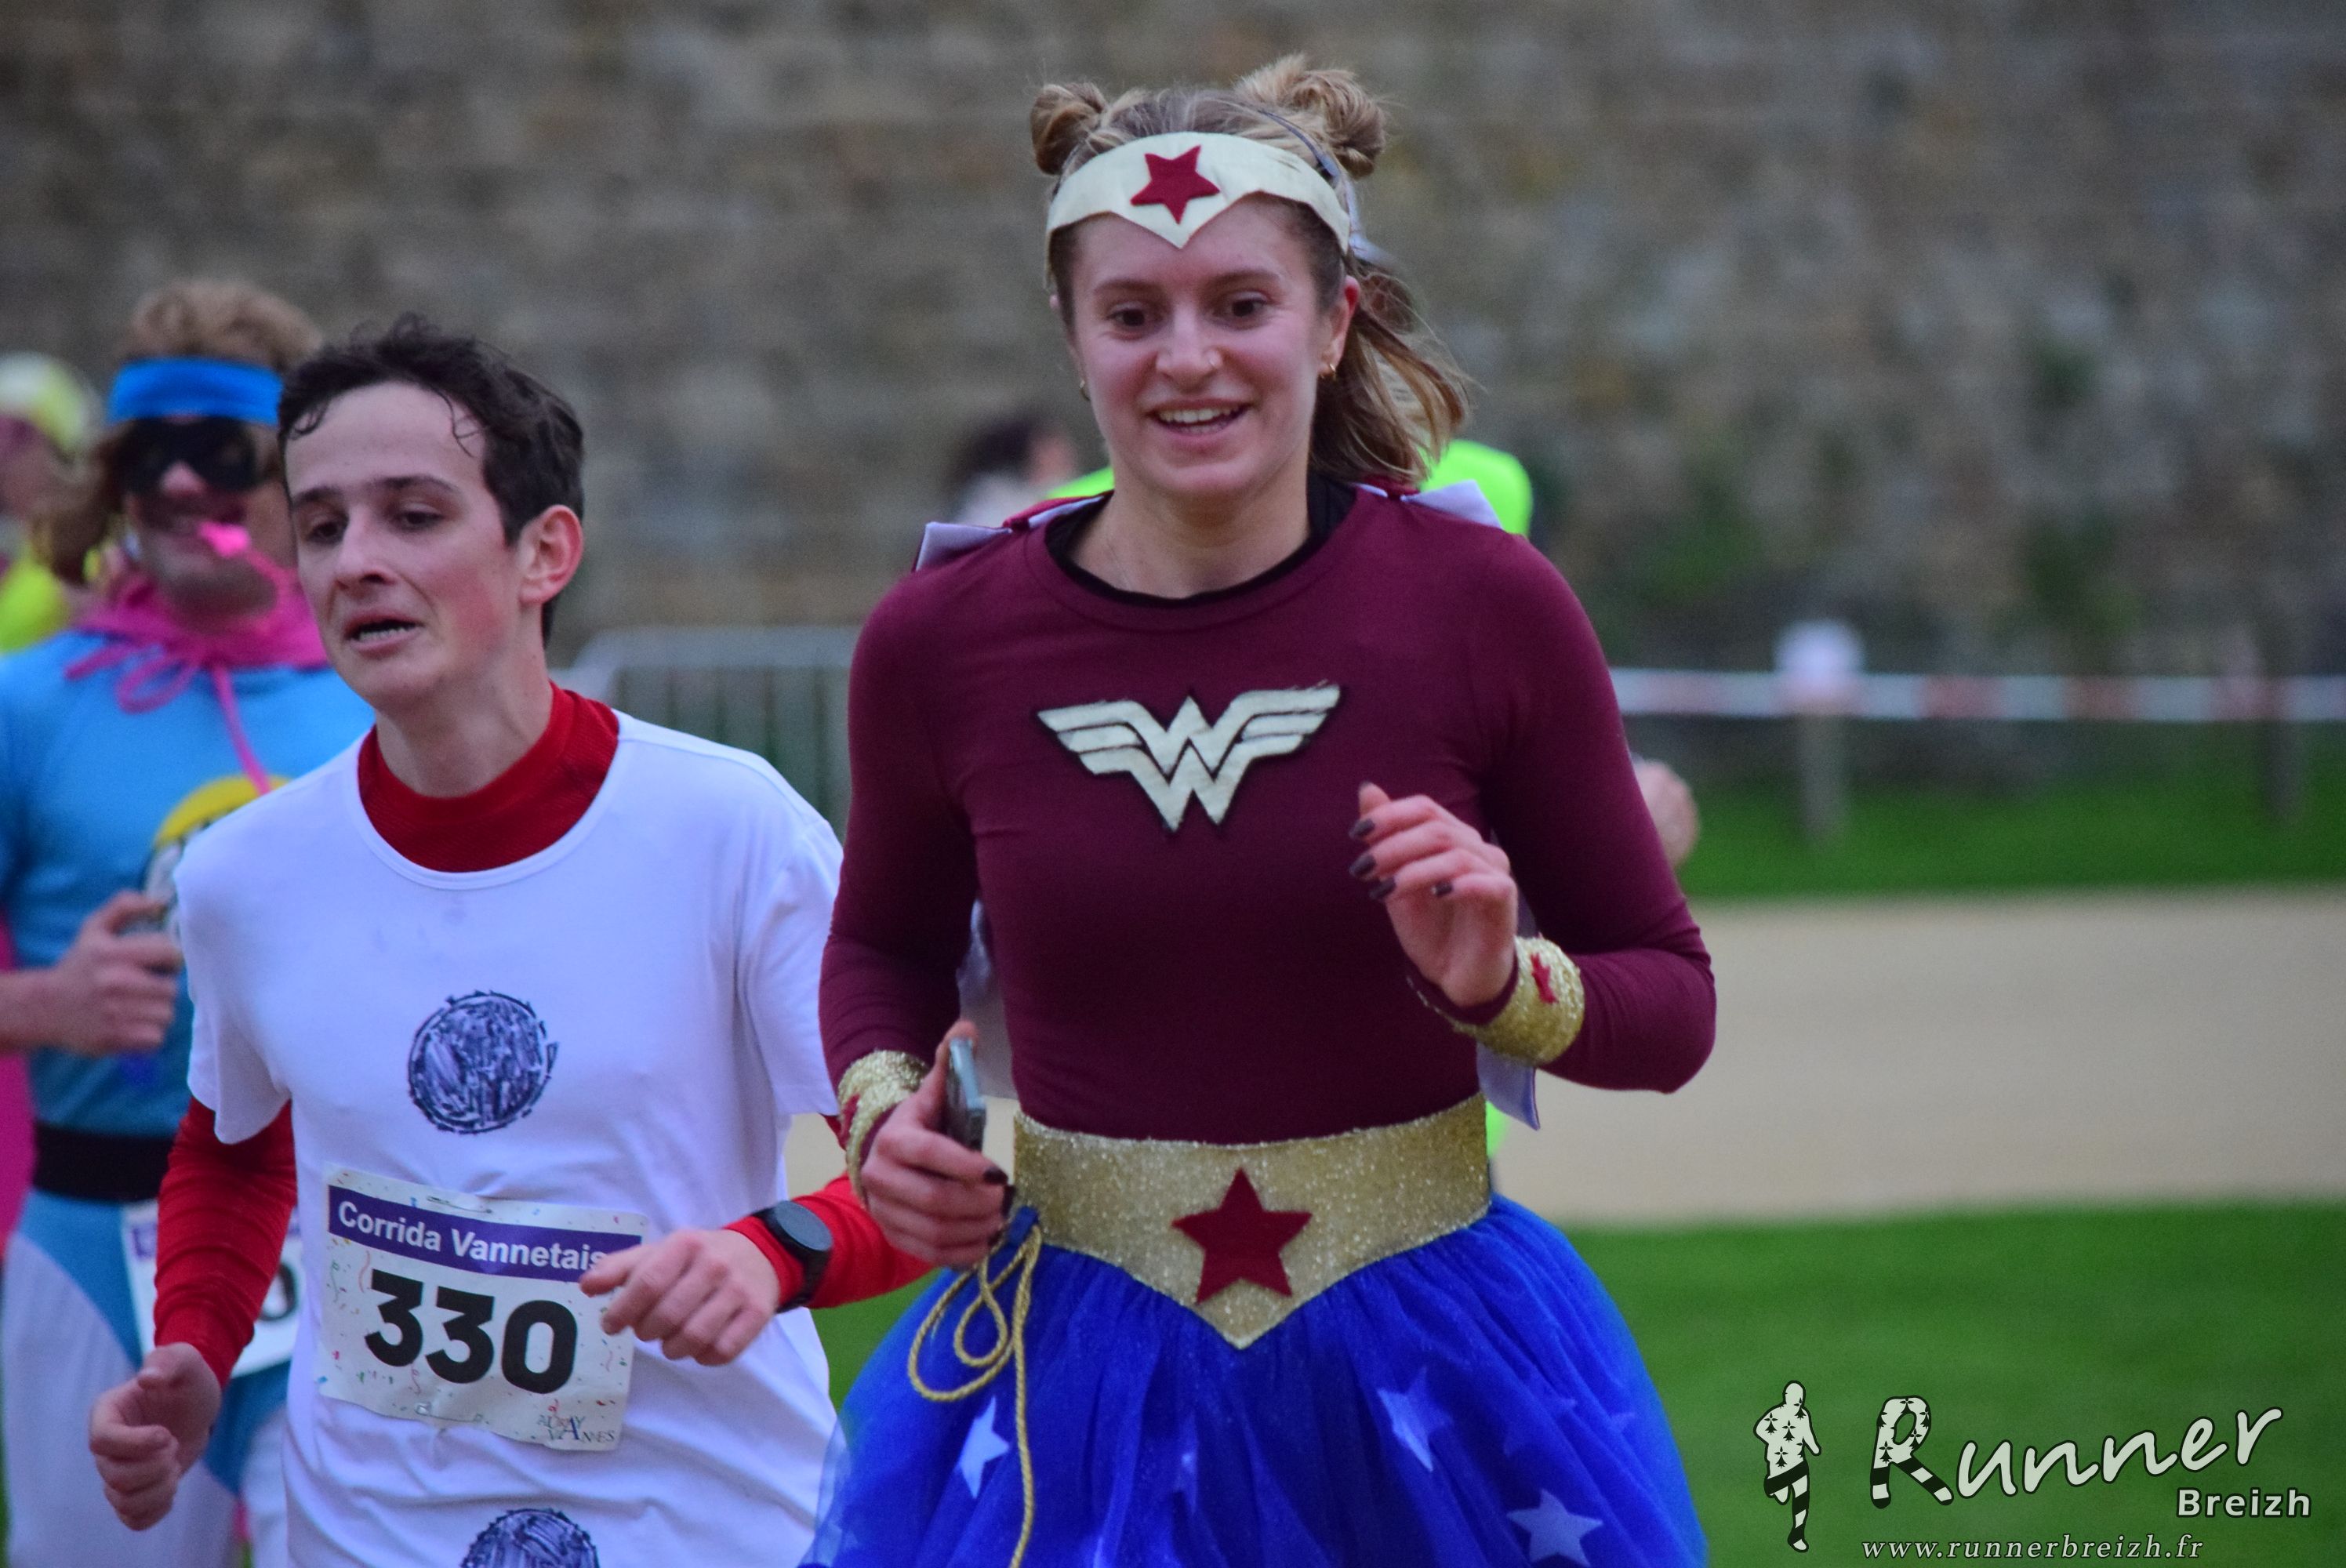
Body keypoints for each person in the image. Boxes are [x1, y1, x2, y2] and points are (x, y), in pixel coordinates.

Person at [812, 58, 1712, 1567]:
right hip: (1072, 1382)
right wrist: (884, 1115)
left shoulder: (1483, 606)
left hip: (1433, 1371)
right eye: (1132, 314)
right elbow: (881, 950)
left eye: (1241, 304)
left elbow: (1670, 1004)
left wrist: (1502, 985)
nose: (1189, 360)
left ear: (1334, 318)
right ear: (1070, 335)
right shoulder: (942, 639)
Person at [83, 319, 927, 1566]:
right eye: (323, 526)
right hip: (371, 1534)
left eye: (413, 516)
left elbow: (926, 1178)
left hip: (705, 1531)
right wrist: (196, 1349)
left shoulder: (730, 830)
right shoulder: (243, 877)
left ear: (546, 552)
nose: (358, 562)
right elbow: (238, 1147)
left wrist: (773, 1255)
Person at [0, 281, 364, 1568]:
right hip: (98, 1243)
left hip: (348, 1244)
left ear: (300, 482)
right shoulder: (30, 707)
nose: (180, 487)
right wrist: (41, 1005)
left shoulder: (387, 696)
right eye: (146, 454)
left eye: (223, 452)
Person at [943, 412, 1084, 527]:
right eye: (1052, 445)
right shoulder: (989, 504)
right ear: (1030, 453)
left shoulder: (1071, 492)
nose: (1067, 451)